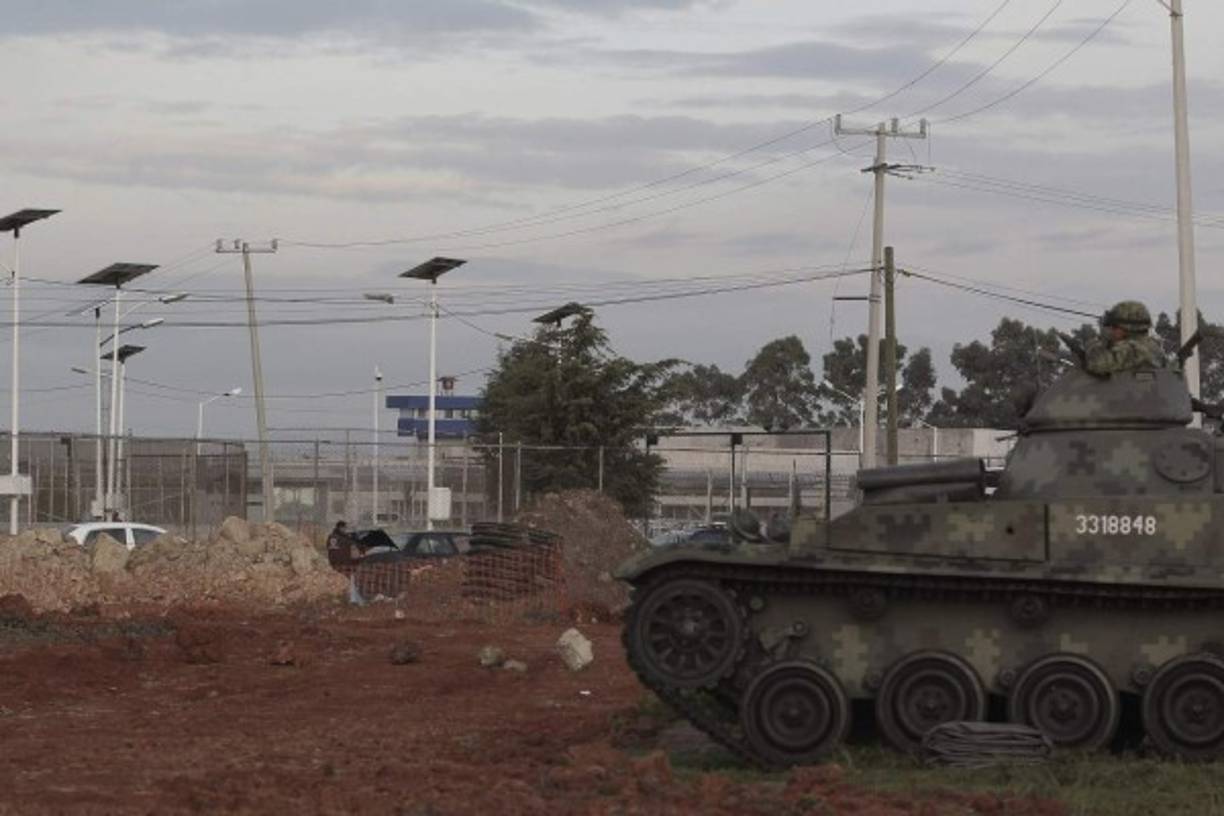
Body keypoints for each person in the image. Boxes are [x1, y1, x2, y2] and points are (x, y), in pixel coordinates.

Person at [1082, 300, 1166, 376]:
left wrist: (1092, 343)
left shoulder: (1133, 349)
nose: (1111, 330)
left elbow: (1095, 364)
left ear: (1128, 328)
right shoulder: (1152, 345)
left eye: (1114, 327)